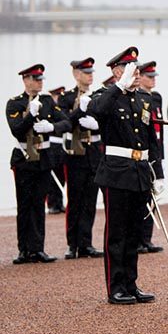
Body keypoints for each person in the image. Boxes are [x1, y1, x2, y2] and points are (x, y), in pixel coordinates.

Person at [89, 47, 163, 304]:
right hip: (116, 172)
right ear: (117, 71)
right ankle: (115, 287)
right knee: (117, 233)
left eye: (137, 69)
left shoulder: (144, 99)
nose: (137, 74)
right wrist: (119, 86)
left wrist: (158, 172)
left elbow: (151, 138)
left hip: (140, 171)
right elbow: (97, 112)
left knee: (134, 232)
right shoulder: (106, 96)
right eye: (131, 69)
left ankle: (131, 284)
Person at [7, 64, 70, 264]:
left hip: (43, 156)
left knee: (38, 204)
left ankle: (38, 248)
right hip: (24, 158)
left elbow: (67, 123)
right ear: (25, 80)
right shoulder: (15, 104)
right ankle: (24, 249)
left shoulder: (47, 102)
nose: (40, 82)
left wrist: (52, 127)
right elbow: (17, 130)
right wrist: (30, 115)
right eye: (35, 79)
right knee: (24, 205)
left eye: (41, 79)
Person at [60, 57, 104, 259]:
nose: (90, 76)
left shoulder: (99, 95)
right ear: (76, 74)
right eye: (86, 73)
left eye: (91, 72)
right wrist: (80, 110)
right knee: (75, 199)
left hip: (93, 151)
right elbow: (66, 122)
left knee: (90, 199)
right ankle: (72, 244)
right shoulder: (67, 98)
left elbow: (105, 119)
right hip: (75, 154)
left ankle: (86, 243)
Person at [136, 61, 165, 254]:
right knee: (139, 198)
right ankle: (137, 239)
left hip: (155, 151)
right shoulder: (137, 97)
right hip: (142, 152)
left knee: (152, 198)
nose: (153, 80)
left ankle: (147, 239)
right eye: (149, 76)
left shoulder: (156, 97)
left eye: (154, 77)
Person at [46, 86, 67, 215]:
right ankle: (52, 204)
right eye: (56, 95)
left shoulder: (61, 110)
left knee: (61, 176)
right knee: (52, 178)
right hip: (51, 145)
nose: (58, 98)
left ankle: (59, 203)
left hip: (61, 146)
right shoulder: (48, 109)